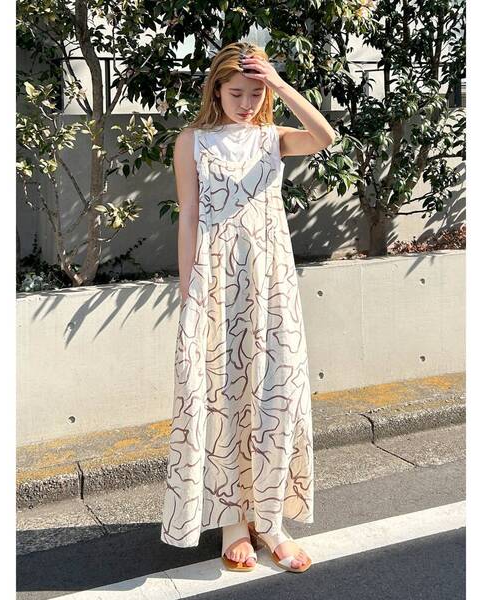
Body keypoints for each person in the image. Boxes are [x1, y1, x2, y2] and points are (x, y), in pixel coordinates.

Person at [160, 41, 336, 573]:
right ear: (216, 89)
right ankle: (233, 522)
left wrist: (279, 84)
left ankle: (271, 520)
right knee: (222, 392)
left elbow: (324, 137)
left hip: (270, 278)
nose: (245, 102)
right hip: (215, 278)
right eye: (236, 92)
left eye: (255, 94)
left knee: (275, 394)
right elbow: (189, 214)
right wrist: (189, 287)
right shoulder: (191, 141)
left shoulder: (272, 138)